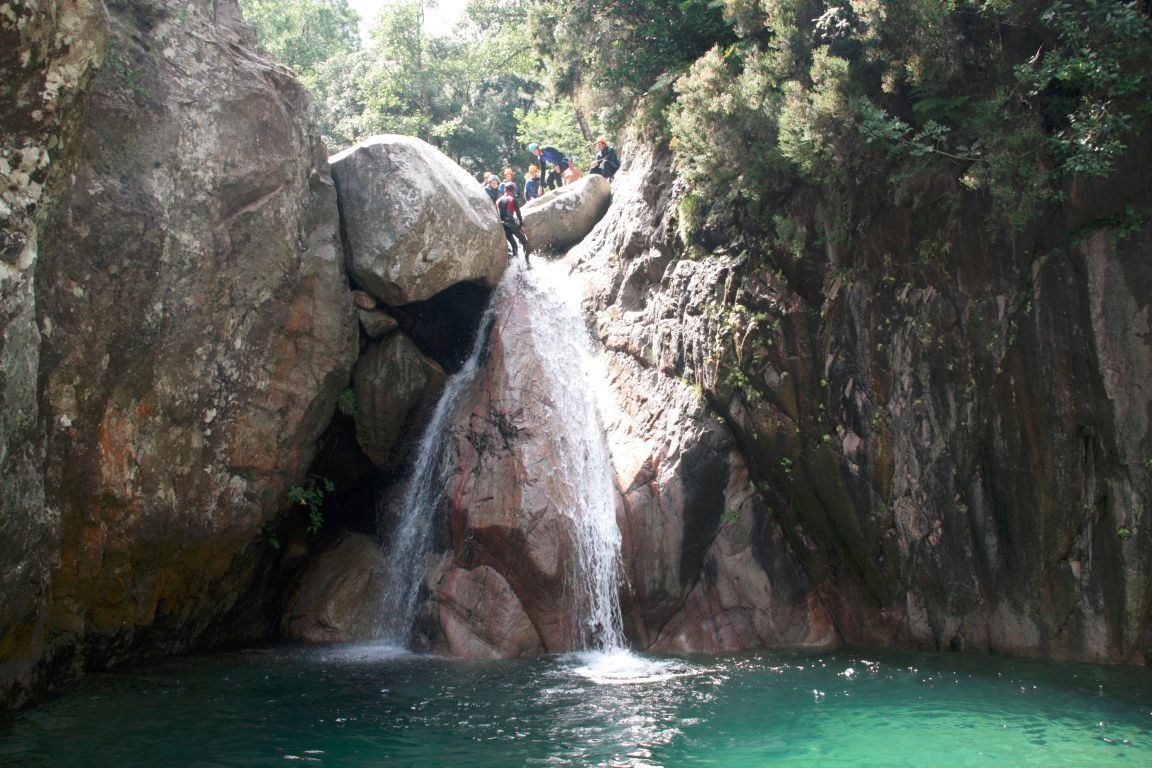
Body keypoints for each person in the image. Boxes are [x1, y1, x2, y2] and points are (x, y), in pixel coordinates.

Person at [496, 181, 531, 267]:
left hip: (502, 225)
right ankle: (527, 263)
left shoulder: (498, 200)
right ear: (513, 190)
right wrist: (521, 224)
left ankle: (515, 266)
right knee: (525, 242)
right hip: (511, 222)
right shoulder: (512, 199)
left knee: (514, 245)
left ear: (505, 189)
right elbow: (518, 214)